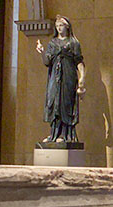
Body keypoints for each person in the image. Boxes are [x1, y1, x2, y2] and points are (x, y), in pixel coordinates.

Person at [36, 16, 84, 145]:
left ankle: (65, 134)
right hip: (55, 77)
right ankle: (54, 134)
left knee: (66, 103)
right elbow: (47, 62)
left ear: (67, 26)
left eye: (61, 26)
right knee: (53, 101)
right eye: (57, 26)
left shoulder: (73, 43)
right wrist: (42, 52)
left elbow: (79, 62)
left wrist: (82, 79)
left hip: (68, 77)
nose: (59, 28)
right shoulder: (53, 43)